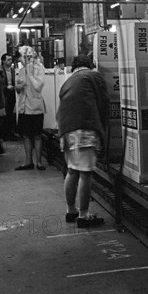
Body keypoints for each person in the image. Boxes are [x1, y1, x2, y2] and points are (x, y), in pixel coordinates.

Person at [57, 54, 109, 228]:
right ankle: (84, 216)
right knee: (86, 174)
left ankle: (71, 210)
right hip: (84, 129)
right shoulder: (93, 76)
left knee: (72, 171)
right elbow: (104, 103)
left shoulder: (69, 81)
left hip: (66, 131)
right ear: (90, 65)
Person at [15, 45, 46, 171]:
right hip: (23, 107)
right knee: (26, 135)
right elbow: (18, 89)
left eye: (24, 57)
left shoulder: (39, 68)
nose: (21, 60)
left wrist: (29, 75)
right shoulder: (21, 70)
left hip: (35, 107)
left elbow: (38, 86)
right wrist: (19, 86)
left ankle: (38, 162)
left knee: (37, 135)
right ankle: (28, 162)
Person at [1, 52, 18, 140]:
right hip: (4, 94)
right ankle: (5, 133)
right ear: (3, 61)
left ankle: (10, 132)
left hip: (12, 93)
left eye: (11, 59)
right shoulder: (0, 70)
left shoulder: (13, 70)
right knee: (6, 114)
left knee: (11, 113)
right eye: (8, 59)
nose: (10, 61)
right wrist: (6, 87)